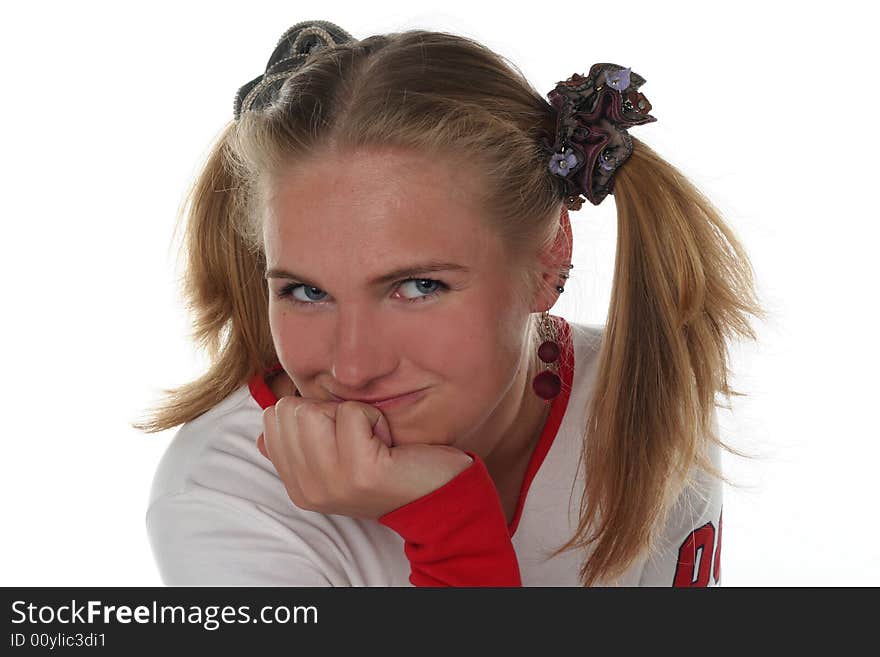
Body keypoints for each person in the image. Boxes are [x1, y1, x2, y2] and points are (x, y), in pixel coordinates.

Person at [133, 20, 764, 586]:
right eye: (307, 291)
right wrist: (448, 527)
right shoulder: (226, 501)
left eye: (418, 286)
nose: (352, 368)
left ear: (549, 259)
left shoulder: (645, 397)